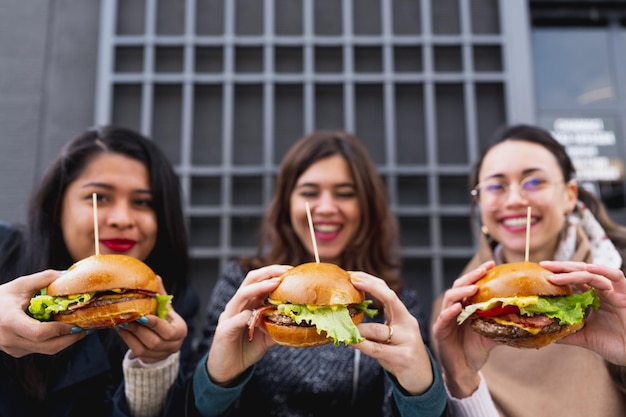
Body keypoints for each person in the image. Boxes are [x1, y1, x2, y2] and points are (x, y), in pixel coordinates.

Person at [180, 130, 447, 416]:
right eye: (309, 193)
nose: (327, 208)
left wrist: (420, 390)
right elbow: (197, 408)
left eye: (345, 194)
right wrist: (219, 379)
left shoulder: (394, 300)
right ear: (287, 204)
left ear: (366, 206)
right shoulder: (246, 285)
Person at [0, 126, 199, 417]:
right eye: (99, 197)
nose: (122, 219)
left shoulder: (172, 301)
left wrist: (154, 368)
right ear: (58, 206)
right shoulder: (4, 249)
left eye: (142, 202)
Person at [430, 124, 626, 416]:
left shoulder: (619, 287)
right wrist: (462, 381)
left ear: (569, 195)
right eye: (496, 186)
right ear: (480, 203)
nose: (515, 200)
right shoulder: (454, 314)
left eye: (534, 182)